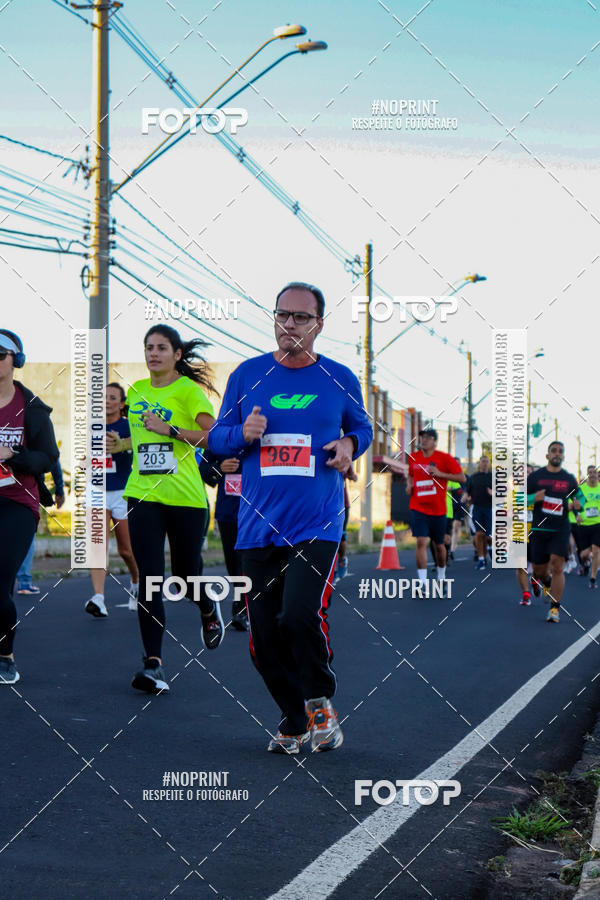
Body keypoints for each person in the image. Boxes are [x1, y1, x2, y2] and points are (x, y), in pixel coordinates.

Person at [208, 282, 373, 754]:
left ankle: (320, 701)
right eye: (283, 315)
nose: (290, 325)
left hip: (317, 523)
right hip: (256, 526)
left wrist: (348, 446)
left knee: (299, 615)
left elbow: (361, 427)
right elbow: (218, 438)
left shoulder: (339, 377)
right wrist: (242, 432)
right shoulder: (247, 375)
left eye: (301, 317)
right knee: (262, 637)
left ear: (319, 324)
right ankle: (294, 719)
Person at [124, 324, 221, 695]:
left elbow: (214, 436)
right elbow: (139, 438)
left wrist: (172, 431)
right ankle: (154, 664)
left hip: (186, 499)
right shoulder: (136, 391)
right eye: (148, 347)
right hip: (143, 495)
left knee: (183, 577)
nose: (153, 353)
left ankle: (207, 609)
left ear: (177, 354)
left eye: (162, 347)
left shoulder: (187, 391)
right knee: (149, 578)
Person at [0, 329, 59, 684]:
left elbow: (48, 458)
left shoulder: (32, 409)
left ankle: (5, 654)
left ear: (15, 362)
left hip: (17, 504)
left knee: (0, 581)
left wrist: (13, 454)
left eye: (0, 354)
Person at [85, 383, 139, 618]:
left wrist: (121, 446)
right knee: (97, 547)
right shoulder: (91, 427)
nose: (107, 401)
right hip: (96, 490)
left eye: (112, 397)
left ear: (122, 403)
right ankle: (99, 598)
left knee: (126, 550)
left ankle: (136, 584)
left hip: (122, 491)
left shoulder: (129, 427)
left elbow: (137, 455)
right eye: (104, 397)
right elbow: (87, 457)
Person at [527, 441, 585, 623]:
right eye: (554, 451)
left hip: (560, 528)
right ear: (547, 455)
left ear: (563, 456)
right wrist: (533, 497)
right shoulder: (536, 477)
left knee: (558, 564)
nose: (557, 454)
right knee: (539, 570)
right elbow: (519, 498)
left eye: (560, 451)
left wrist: (579, 505)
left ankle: (554, 609)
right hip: (539, 528)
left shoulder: (568, 479)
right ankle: (543, 581)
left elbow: (580, 498)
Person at [406, 428, 465, 590]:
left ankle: (441, 576)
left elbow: (461, 478)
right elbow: (410, 474)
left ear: (434, 441)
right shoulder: (414, 458)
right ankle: (422, 582)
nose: (423, 440)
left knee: (439, 546)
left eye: (427, 438)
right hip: (418, 506)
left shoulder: (444, 458)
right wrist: (409, 484)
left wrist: (440, 474)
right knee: (420, 541)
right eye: (422, 437)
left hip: (438, 509)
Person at [198, 448, 249, 630]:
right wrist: (219, 468)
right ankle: (242, 604)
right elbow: (202, 468)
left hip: (258, 510)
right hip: (228, 511)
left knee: (249, 559)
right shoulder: (222, 437)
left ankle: (242, 608)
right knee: (234, 562)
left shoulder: (263, 433)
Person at [15, 459, 65, 595]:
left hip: (5, 486)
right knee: (27, 534)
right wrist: (59, 489)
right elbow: (53, 458)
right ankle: (24, 582)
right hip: (28, 489)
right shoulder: (34, 436)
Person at [465, 456, 493, 570]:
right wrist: (465, 497)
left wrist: (494, 493)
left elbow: (504, 492)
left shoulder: (493, 477)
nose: (485, 464)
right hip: (476, 508)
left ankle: (491, 549)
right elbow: (467, 491)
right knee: (478, 534)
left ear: (489, 463)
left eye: (487, 462)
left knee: (488, 537)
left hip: (490, 509)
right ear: (479, 463)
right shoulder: (473, 477)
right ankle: (481, 560)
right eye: (483, 462)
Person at [576, 465, 600, 589]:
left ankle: (593, 577)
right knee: (583, 554)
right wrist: (577, 515)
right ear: (587, 474)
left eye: (594, 472)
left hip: (598, 524)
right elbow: (573, 503)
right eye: (589, 472)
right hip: (584, 525)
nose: (592, 474)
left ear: (597, 474)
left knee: (596, 550)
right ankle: (586, 562)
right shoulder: (581, 489)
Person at [333, 468, 357, 585]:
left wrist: (351, 474)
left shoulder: (341, 458)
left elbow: (354, 477)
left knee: (340, 537)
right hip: (322, 505)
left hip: (342, 505)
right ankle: (329, 572)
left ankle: (342, 559)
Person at [516, 464, 534, 606]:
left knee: (539, 568)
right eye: (524, 473)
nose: (526, 475)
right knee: (520, 566)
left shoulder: (539, 493)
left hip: (536, 535)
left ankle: (536, 580)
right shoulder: (513, 493)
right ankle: (526, 594)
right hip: (519, 534)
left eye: (529, 472)